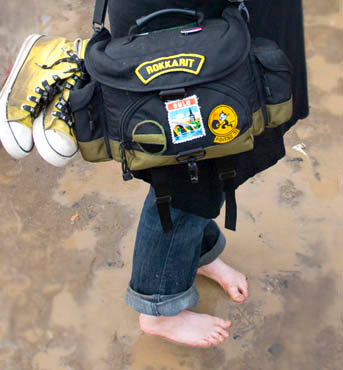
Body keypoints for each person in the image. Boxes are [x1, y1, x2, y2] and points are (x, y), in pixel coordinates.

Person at [107, 0, 308, 347]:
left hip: (227, 20)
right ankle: (159, 309)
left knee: (222, 147)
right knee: (189, 162)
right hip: (184, 22)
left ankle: (196, 256)